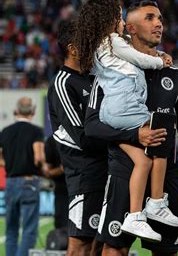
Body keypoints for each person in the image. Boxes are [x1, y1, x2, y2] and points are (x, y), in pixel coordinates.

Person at [84, 0, 178, 256]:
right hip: (124, 173)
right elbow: (91, 126)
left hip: (167, 176)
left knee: (166, 252)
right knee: (114, 251)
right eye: (150, 18)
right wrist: (134, 134)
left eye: (160, 18)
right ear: (131, 29)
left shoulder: (176, 76)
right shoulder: (111, 73)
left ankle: (157, 204)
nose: (159, 23)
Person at [47, 18, 108, 255]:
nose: (95, 47)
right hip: (85, 175)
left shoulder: (96, 78)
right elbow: (83, 137)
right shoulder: (63, 83)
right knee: (80, 245)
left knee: (99, 245)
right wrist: (126, 137)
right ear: (73, 48)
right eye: (89, 42)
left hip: (107, 172)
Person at [0, 97, 45, 256]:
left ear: (15, 111)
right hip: (29, 182)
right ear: (32, 112)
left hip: (11, 182)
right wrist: (42, 169)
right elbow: (38, 158)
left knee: (11, 230)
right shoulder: (36, 131)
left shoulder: (5, 132)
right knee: (29, 229)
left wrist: (10, 164)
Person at [44, 135, 68, 230]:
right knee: (62, 225)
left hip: (85, 187)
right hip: (62, 188)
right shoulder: (52, 140)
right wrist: (62, 169)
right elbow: (48, 172)